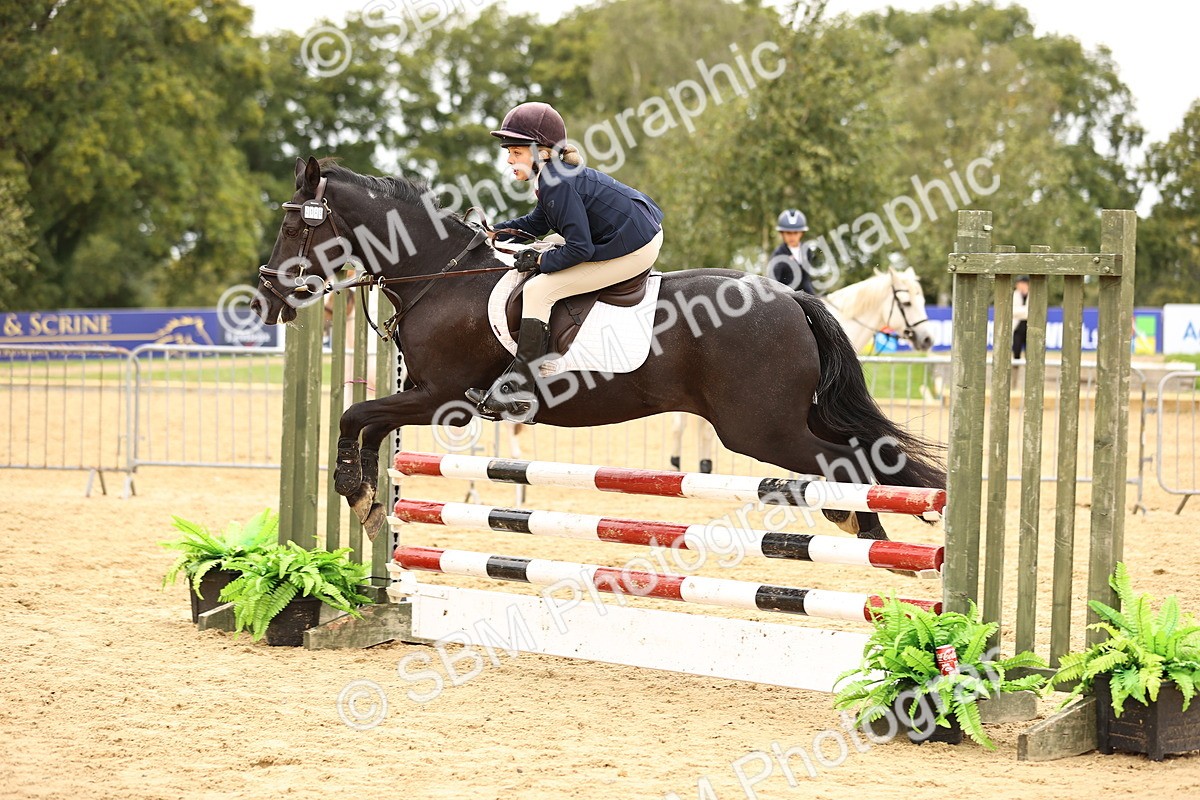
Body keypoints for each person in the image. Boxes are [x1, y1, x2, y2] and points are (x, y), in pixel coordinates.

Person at [465, 101, 665, 422]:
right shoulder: (551, 178)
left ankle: (519, 391)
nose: (508, 159)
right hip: (634, 232)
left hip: (635, 246)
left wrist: (541, 260)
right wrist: (492, 232)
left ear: (542, 152)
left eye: (516, 152)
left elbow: (580, 249)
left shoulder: (556, 181)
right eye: (509, 151)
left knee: (538, 291)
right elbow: (537, 223)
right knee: (545, 260)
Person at [767, 209, 818, 295]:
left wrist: (814, 298)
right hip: (785, 298)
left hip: (804, 297)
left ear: (801, 233)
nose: (792, 237)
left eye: (795, 233)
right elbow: (774, 285)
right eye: (788, 233)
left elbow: (806, 280)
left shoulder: (807, 251)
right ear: (782, 233)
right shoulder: (777, 255)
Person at [1012, 275, 1030, 360]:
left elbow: (1032, 311)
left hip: (1029, 326)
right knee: (1016, 349)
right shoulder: (1015, 295)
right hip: (1017, 327)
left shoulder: (1032, 294)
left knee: (1030, 350)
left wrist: (1020, 311)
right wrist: (1025, 311)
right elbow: (1013, 311)